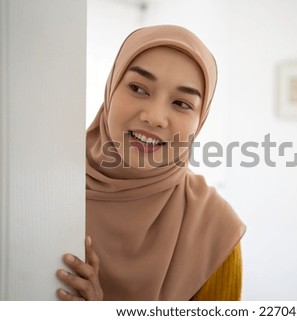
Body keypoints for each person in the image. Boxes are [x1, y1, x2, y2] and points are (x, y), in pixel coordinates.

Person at [55, 25, 246, 301]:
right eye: (138, 88)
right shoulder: (40, 185)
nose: (155, 116)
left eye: (181, 103)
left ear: (200, 119)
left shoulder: (216, 230)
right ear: (111, 88)